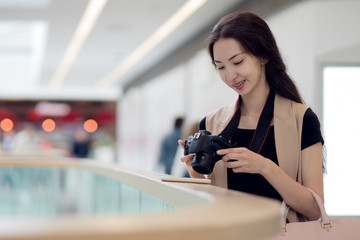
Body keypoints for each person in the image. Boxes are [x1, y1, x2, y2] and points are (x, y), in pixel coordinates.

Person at [178, 12, 324, 222]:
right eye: (220, 67)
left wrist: (265, 167)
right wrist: (195, 172)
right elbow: (212, 204)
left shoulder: (302, 119)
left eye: (237, 62)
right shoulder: (210, 123)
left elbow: (315, 210)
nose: (230, 76)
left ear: (263, 56)